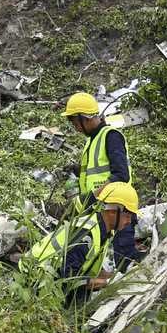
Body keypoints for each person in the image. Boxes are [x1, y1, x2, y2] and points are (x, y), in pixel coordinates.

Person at [61, 91, 142, 269]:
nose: (76, 127)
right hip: (103, 211)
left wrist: (93, 197)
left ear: (86, 118)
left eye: (76, 122)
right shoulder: (92, 141)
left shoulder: (110, 136)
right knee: (107, 260)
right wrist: (76, 169)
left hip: (118, 210)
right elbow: (96, 172)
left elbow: (121, 174)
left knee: (124, 260)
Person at [24, 182, 140, 294]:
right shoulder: (86, 234)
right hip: (33, 279)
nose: (129, 221)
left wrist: (115, 276)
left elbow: (85, 269)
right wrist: (107, 282)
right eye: (127, 216)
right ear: (113, 212)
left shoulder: (103, 230)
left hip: (44, 278)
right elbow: (70, 276)